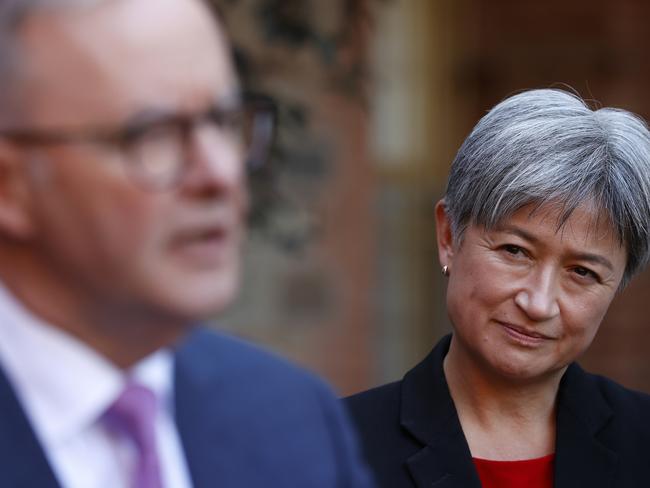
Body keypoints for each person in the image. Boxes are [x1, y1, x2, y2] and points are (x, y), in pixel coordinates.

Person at [0, 0, 374, 487]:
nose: (220, 173)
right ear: (10, 184)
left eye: (222, 121)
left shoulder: (293, 420)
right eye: (151, 133)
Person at [345, 89, 650, 487]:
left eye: (582, 272)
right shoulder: (339, 446)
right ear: (449, 235)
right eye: (515, 251)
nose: (539, 304)